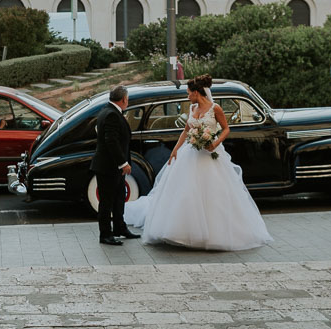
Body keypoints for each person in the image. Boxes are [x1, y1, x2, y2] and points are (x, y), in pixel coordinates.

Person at [123, 75, 273, 251]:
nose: (187, 97)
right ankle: (181, 232)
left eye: (188, 93)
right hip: (190, 154)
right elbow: (185, 131)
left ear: (196, 92)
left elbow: (226, 129)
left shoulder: (215, 108)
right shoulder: (193, 107)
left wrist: (214, 143)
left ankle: (214, 233)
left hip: (210, 155)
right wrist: (175, 150)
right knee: (185, 193)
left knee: (213, 193)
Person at [89, 85, 139, 245]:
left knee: (119, 198)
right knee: (107, 202)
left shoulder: (108, 110)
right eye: (127, 99)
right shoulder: (111, 114)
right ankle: (105, 234)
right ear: (124, 99)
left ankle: (120, 227)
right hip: (108, 166)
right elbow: (111, 141)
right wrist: (123, 163)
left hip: (112, 167)